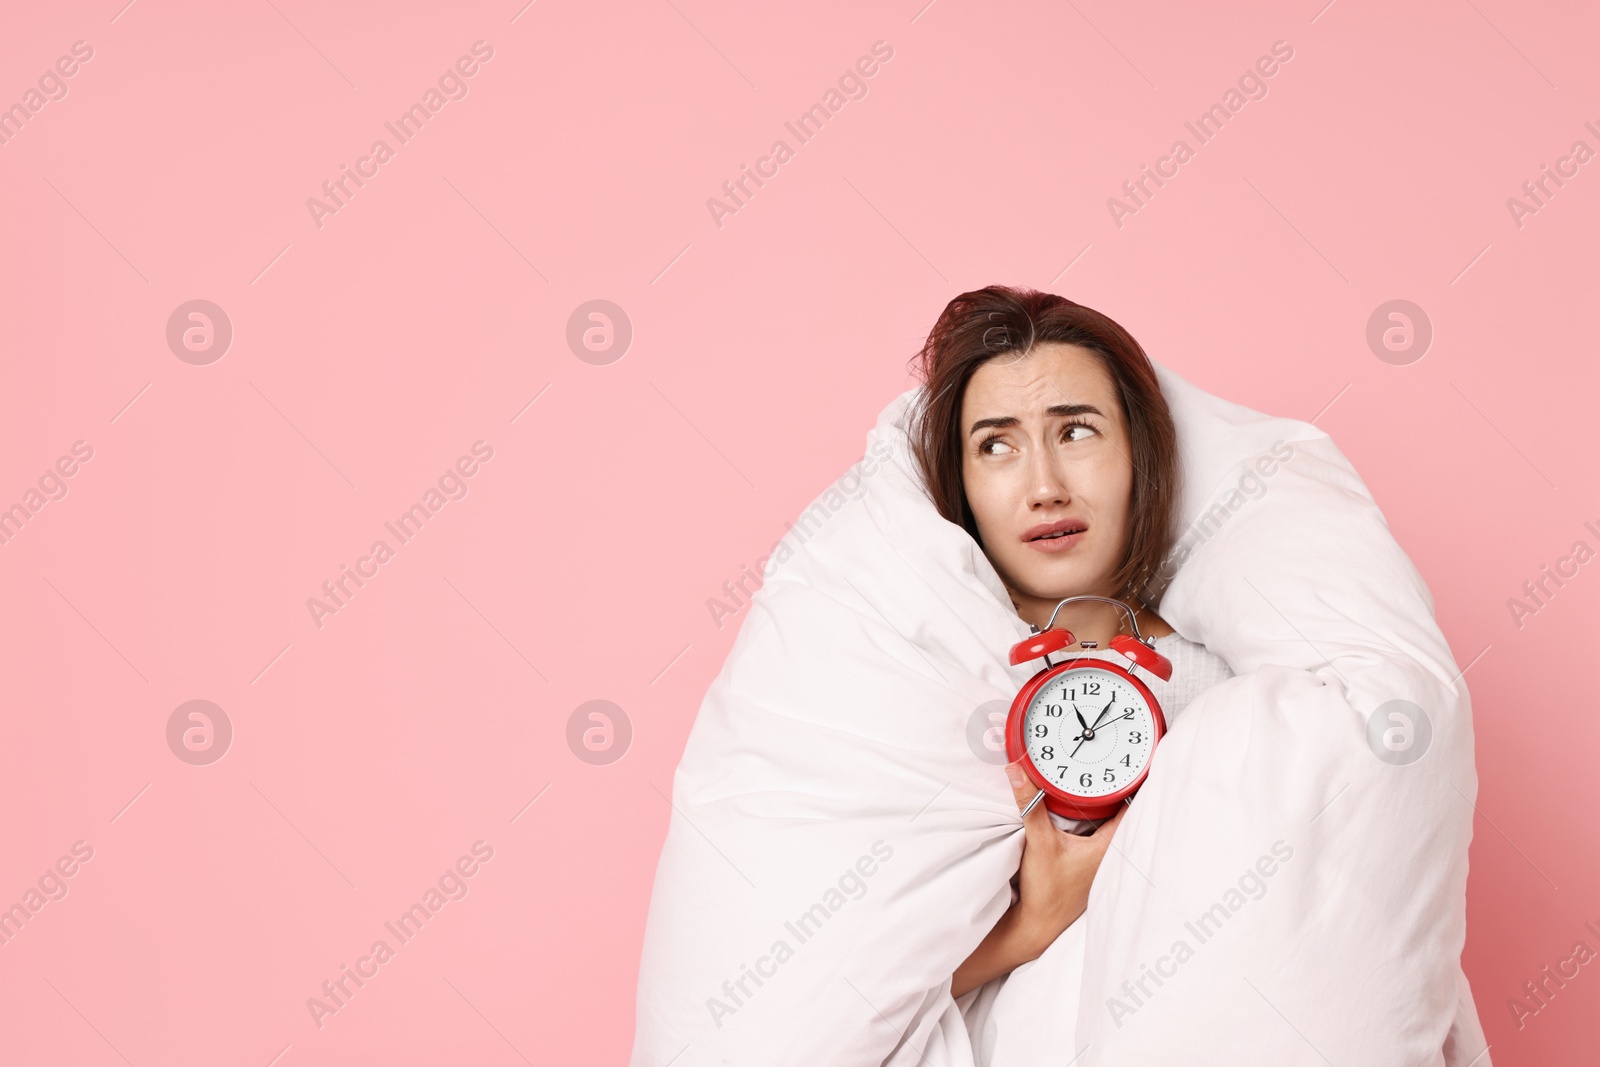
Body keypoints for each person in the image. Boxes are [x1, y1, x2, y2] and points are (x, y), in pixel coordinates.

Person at [904, 286, 1234, 1016]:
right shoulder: (916, 674)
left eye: (1077, 431)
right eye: (996, 445)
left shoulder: (1234, 678)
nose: (1045, 487)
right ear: (959, 484)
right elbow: (833, 1003)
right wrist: (1036, 921)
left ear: (1140, 453)